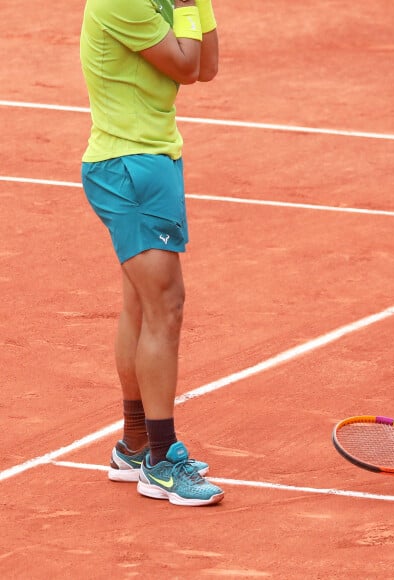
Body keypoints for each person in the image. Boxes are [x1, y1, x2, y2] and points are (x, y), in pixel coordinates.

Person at [80, 0, 223, 506]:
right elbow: (184, 64)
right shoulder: (119, 0)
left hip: (153, 160)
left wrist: (195, 3)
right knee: (167, 304)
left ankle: (136, 443)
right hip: (128, 165)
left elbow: (206, 67)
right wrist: (187, 5)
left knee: (142, 306)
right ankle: (161, 461)